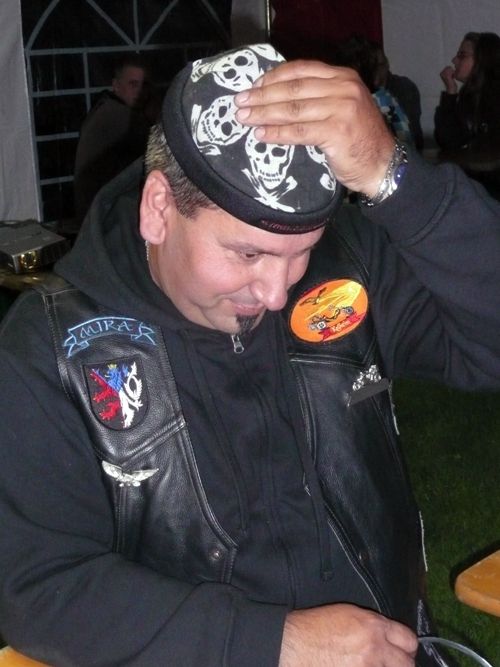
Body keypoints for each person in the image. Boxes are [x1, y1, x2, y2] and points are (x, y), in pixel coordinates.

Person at [1, 43, 500, 667]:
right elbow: (37, 587)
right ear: (159, 208)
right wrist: (273, 643)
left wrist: (393, 179)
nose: (276, 293)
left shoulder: (347, 268)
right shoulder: (51, 349)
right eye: (248, 254)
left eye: (301, 251)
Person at [73, 54, 152, 223]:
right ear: (116, 85)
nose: (139, 92)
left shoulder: (105, 107)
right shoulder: (119, 115)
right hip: (104, 219)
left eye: (144, 85)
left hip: (97, 215)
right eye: (133, 84)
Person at [333, 35, 415, 148]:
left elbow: (406, 142)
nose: (387, 68)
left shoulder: (386, 100)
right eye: (380, 66)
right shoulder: (383, 99)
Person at [434, 32, 500, 151]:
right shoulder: (470, 95)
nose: (454, 60)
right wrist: (451, 92)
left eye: (462, 55)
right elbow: (447, 140)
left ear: (482, 59)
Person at [373, 44, 424, 150]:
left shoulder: (402, 88)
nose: (376, 70)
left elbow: (406, 136)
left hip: (401, 153)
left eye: (379, 65)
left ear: (386, 65)